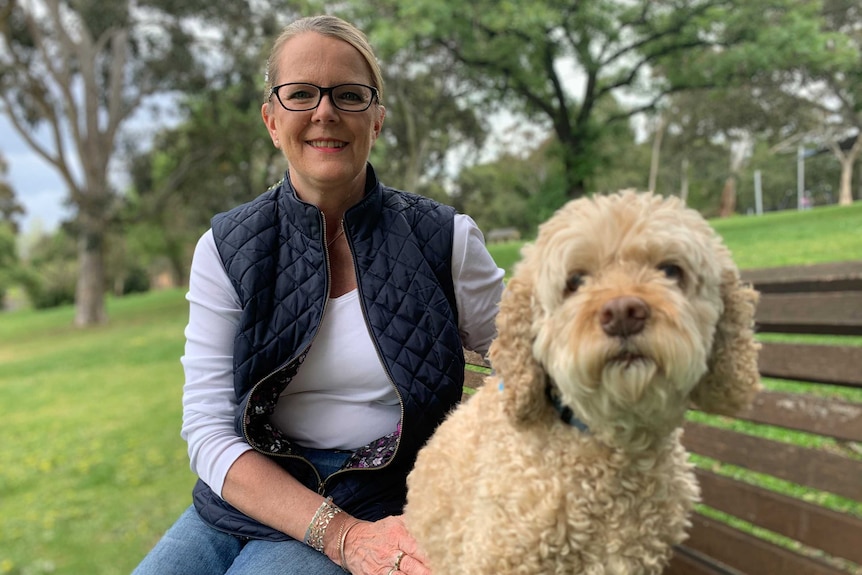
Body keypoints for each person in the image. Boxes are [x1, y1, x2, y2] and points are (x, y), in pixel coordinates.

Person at [131, 14, 504, 575]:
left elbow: (538, 361)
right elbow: (207, 429)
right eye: (301, 94)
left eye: (349, 95)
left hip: (379, 496)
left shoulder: (445, 240)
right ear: (271, 120)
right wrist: (338, 536)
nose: (325, 111)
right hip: (253, 491)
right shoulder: (225, 248)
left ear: (376, 120)